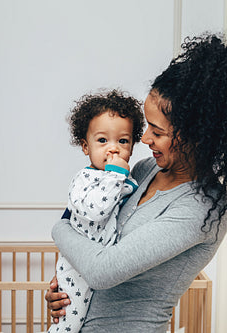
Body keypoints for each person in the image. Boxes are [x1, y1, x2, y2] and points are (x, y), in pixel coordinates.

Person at [46, 33, 227, 332]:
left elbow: (102, 271)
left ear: (198, 136)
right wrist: (68, 289)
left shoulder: (203, 208)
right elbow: (96, 239)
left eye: (157, 131)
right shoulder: (145, 169)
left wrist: (60, 226)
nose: (145, 138)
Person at [48, 89, 145, 333]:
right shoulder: (84, 179)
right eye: (102, 141)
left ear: (132, 147)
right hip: (78, 267)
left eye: (122, 141)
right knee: (68, 325)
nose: (113, 149)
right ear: (85, 146)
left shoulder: (126, 180)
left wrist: (121, 178)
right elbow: (97, 210)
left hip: (102, 268)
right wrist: (116, 174)